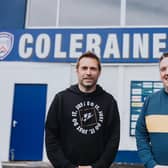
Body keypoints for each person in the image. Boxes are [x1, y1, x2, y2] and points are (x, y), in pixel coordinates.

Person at [45, 51, 120, 168]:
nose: (88, 73)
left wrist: (98, 166)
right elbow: (51, 137)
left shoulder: (109, 102)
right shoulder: (61, 99)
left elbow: (113, 140)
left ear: (99, 72)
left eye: (93, 69)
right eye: (84, 68)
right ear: (77, 70)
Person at [135, 52, 168, 168]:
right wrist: (151, 164)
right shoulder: (150, 101)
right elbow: (140, 134)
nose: (167, 73)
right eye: (163, 69)